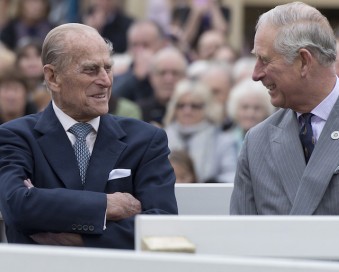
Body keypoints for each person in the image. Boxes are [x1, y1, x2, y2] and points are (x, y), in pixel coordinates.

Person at [0, 23, 177, 249]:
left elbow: (162, 223)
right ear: (53, 77)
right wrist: (105, 205)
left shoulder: (145, 140)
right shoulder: (16, 137)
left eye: (108, 68)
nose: (106, 80)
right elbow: (16, 207)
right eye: (91, 70)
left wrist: (79, 238)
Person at [230, 2, 339, 215]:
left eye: (265, 60)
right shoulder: (256, 143)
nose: (256, 74)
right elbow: (242, 239)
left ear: (304, 61)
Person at [164, 78, 236, 183]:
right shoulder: (161, 138)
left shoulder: (223, 140)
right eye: (181, 105)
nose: (187, 111)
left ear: (208, 108)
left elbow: (231, 175)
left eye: (195, 106)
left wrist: (211, 184)